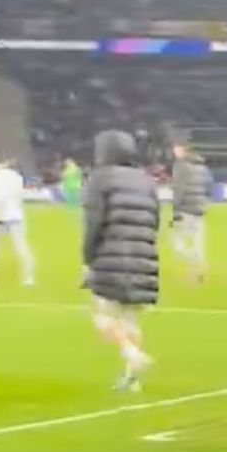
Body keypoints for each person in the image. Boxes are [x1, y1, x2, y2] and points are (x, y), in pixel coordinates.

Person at [79, 130, 161, 389]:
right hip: (143, 256)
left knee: (102, 317)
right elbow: (155, 220)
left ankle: (131, 353)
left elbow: (94, 222)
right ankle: (131, 378)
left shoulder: (100, 179)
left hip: (109, 256)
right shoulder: (146, 180)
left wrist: (88, 259)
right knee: (129, 319)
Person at [0, 154, 37, 289]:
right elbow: (21, 195)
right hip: (15, 216)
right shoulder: (16, 177)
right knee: (22, 248)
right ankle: (28, 278)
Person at [169, 143, 214, 283]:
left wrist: (175, 211)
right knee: (197, 243)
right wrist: (204, 202)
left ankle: (193, 262)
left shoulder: (181, 168)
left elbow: (178, 191)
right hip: (199, 210)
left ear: (184, 152)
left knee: (177, 244)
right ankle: (199, 269)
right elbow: (209, 188)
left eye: (177, 150)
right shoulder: (204, 169)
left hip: (186, 210)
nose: (175, 152)